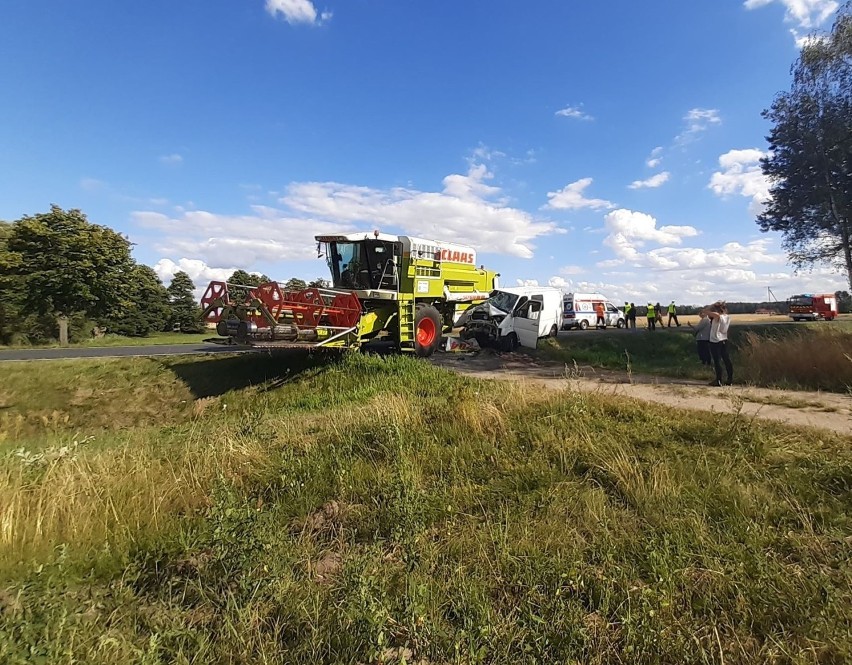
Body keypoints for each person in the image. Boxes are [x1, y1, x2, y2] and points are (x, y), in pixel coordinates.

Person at [706, 301, 733, 386]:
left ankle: (718, 380)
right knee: (726, 360)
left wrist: (708, 308)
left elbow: (711, 313)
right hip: (724, 339)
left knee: (717, 361)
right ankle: (730, 379)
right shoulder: (727, 317)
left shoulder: (718, 316)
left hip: (715, 340)